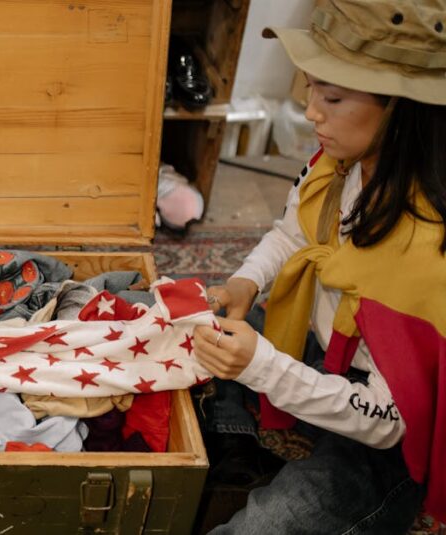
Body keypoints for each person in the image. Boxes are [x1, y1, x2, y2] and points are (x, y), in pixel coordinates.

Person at [194, 0, 446, 532]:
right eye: (310, 88)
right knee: (190, 331)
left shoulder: (427, 254)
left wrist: (262, 367)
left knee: (265, 526)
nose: (311, 111)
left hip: (383, 432)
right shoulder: (337, 164)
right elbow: (293, 232)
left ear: (403, 110)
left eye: (331, 96)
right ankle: (241, 450)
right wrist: (247, 280)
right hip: (322, 354)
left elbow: (390, 421)